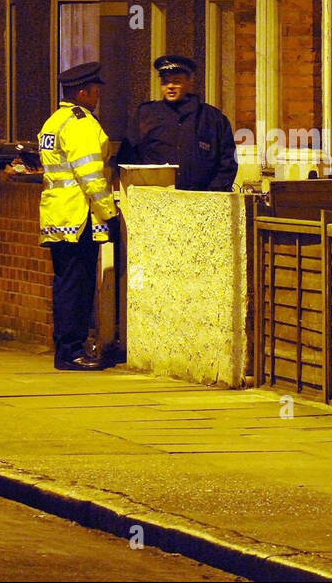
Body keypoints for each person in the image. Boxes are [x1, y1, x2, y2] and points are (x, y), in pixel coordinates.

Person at [37, 61, 120, 371]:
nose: (98, 95)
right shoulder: (81, 123)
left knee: (65, 283)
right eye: (95, 90)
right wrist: (108, 212)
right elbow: (91, 176)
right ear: (82, 92)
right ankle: (72, 352)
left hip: (59, 215)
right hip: (80, 216)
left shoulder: (54, 121)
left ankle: (65, 348)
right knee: (78, 285)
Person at [115, 54, 238, 191]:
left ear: (189, 81)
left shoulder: (212, 119)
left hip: (200, 202)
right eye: (165, 82)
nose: (170, 86)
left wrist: (211, 195)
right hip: (155, 200)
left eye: (176, 81)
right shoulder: (145, 115)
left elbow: (228, 162)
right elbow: (127, 157)